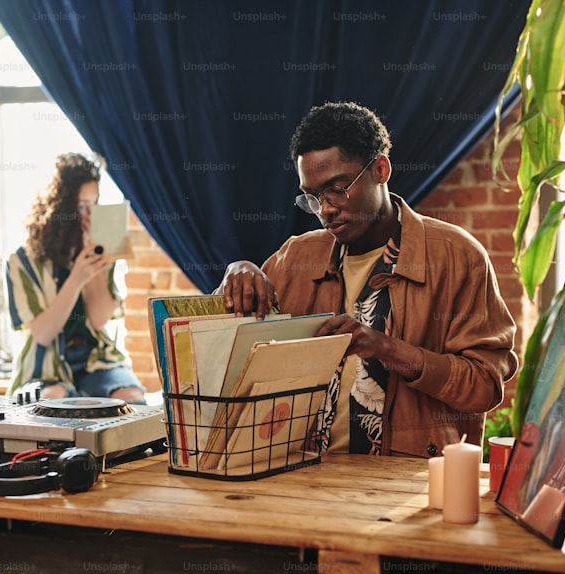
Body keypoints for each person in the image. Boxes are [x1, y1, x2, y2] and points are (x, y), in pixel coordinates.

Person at [216, 101, 518, 457]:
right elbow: (226, 343)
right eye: (313, 197)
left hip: (406, 487)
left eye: (338, 188)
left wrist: (389, 349)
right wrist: (237, 272)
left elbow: (484, 386)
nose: (326, 209)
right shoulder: (295, 257)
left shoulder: (457, 257)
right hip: (300, 477)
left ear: (380, 169)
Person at [6, 152, 146, 404]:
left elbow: (99, 318)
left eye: (95, 205)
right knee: (52, 400)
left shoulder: (102, 249)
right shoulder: (22, 261)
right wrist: (76, 279)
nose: (89, 216)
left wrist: (92, 261)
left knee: (131, 399)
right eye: (82, 206)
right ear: (60, 207)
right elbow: (43, 334)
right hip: (46, 363)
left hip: (94, 358)